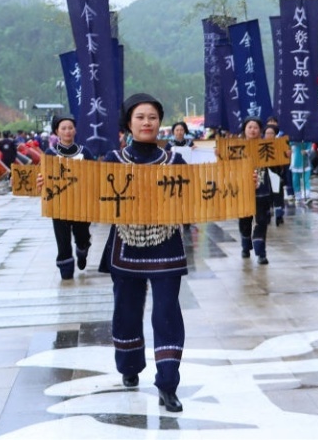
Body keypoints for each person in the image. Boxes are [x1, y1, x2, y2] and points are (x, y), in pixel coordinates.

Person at [100, 93, 188, 412]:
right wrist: (49, 187)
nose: (147, 122)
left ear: (159, 123)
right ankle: (129, 365)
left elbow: (201, 197)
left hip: (167, 245)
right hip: (126, 245)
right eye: (140, 117)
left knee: (166, 313)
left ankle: (167, 383)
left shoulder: (176, 162)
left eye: (152, 117)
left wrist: (243, 185)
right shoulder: (111, 161)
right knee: (126, 311)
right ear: (129, 124)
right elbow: (80, 193)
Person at [44, 115, 96, 280]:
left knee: (82, 235)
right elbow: (44, 176)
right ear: (57, 132)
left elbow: (94, 174)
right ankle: (66, 268)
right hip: (58, 204)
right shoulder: (50, 154)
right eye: (63, 128)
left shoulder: (84, 152)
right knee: (62, 239)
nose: (67, 131)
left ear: (75, 130)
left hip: (81, 203)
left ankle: (82, 250)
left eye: (70, 128)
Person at [236, 117, 279, 264]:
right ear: (244, 130)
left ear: (260, 131)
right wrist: (219, 155)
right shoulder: (236, 147)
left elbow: (276, 168)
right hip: (243, 190)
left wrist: (284, 157)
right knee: (244, 221)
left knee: (262, 221)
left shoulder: (267, 147)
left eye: (255, 127)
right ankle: (245, 246)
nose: (252, 130)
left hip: (263, 190)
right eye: (250, 127)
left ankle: (261, 252)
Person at [289, 140, 314, 204]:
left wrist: (306, 151)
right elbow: (289, 148)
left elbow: (310, 149)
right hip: (295, 162)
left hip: (305, 162)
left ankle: (307, 196)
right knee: (295, 180)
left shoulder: (307, 139)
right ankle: (298, 196)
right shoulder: (292, 139)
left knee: (306, 180)